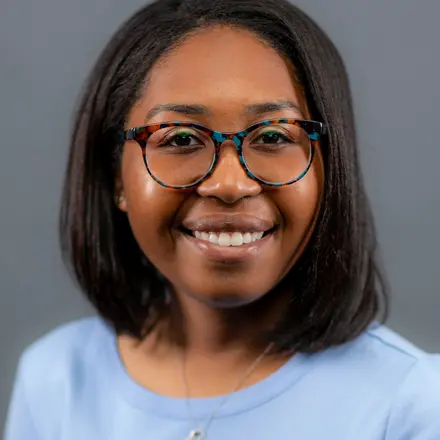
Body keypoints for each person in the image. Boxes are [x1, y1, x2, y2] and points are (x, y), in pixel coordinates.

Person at [4, 0, 440, 438]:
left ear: (332, 169)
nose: (229, 184)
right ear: (115, 176)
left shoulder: (408, 403)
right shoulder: (56, 381)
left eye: (273, 136)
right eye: (180, 138)